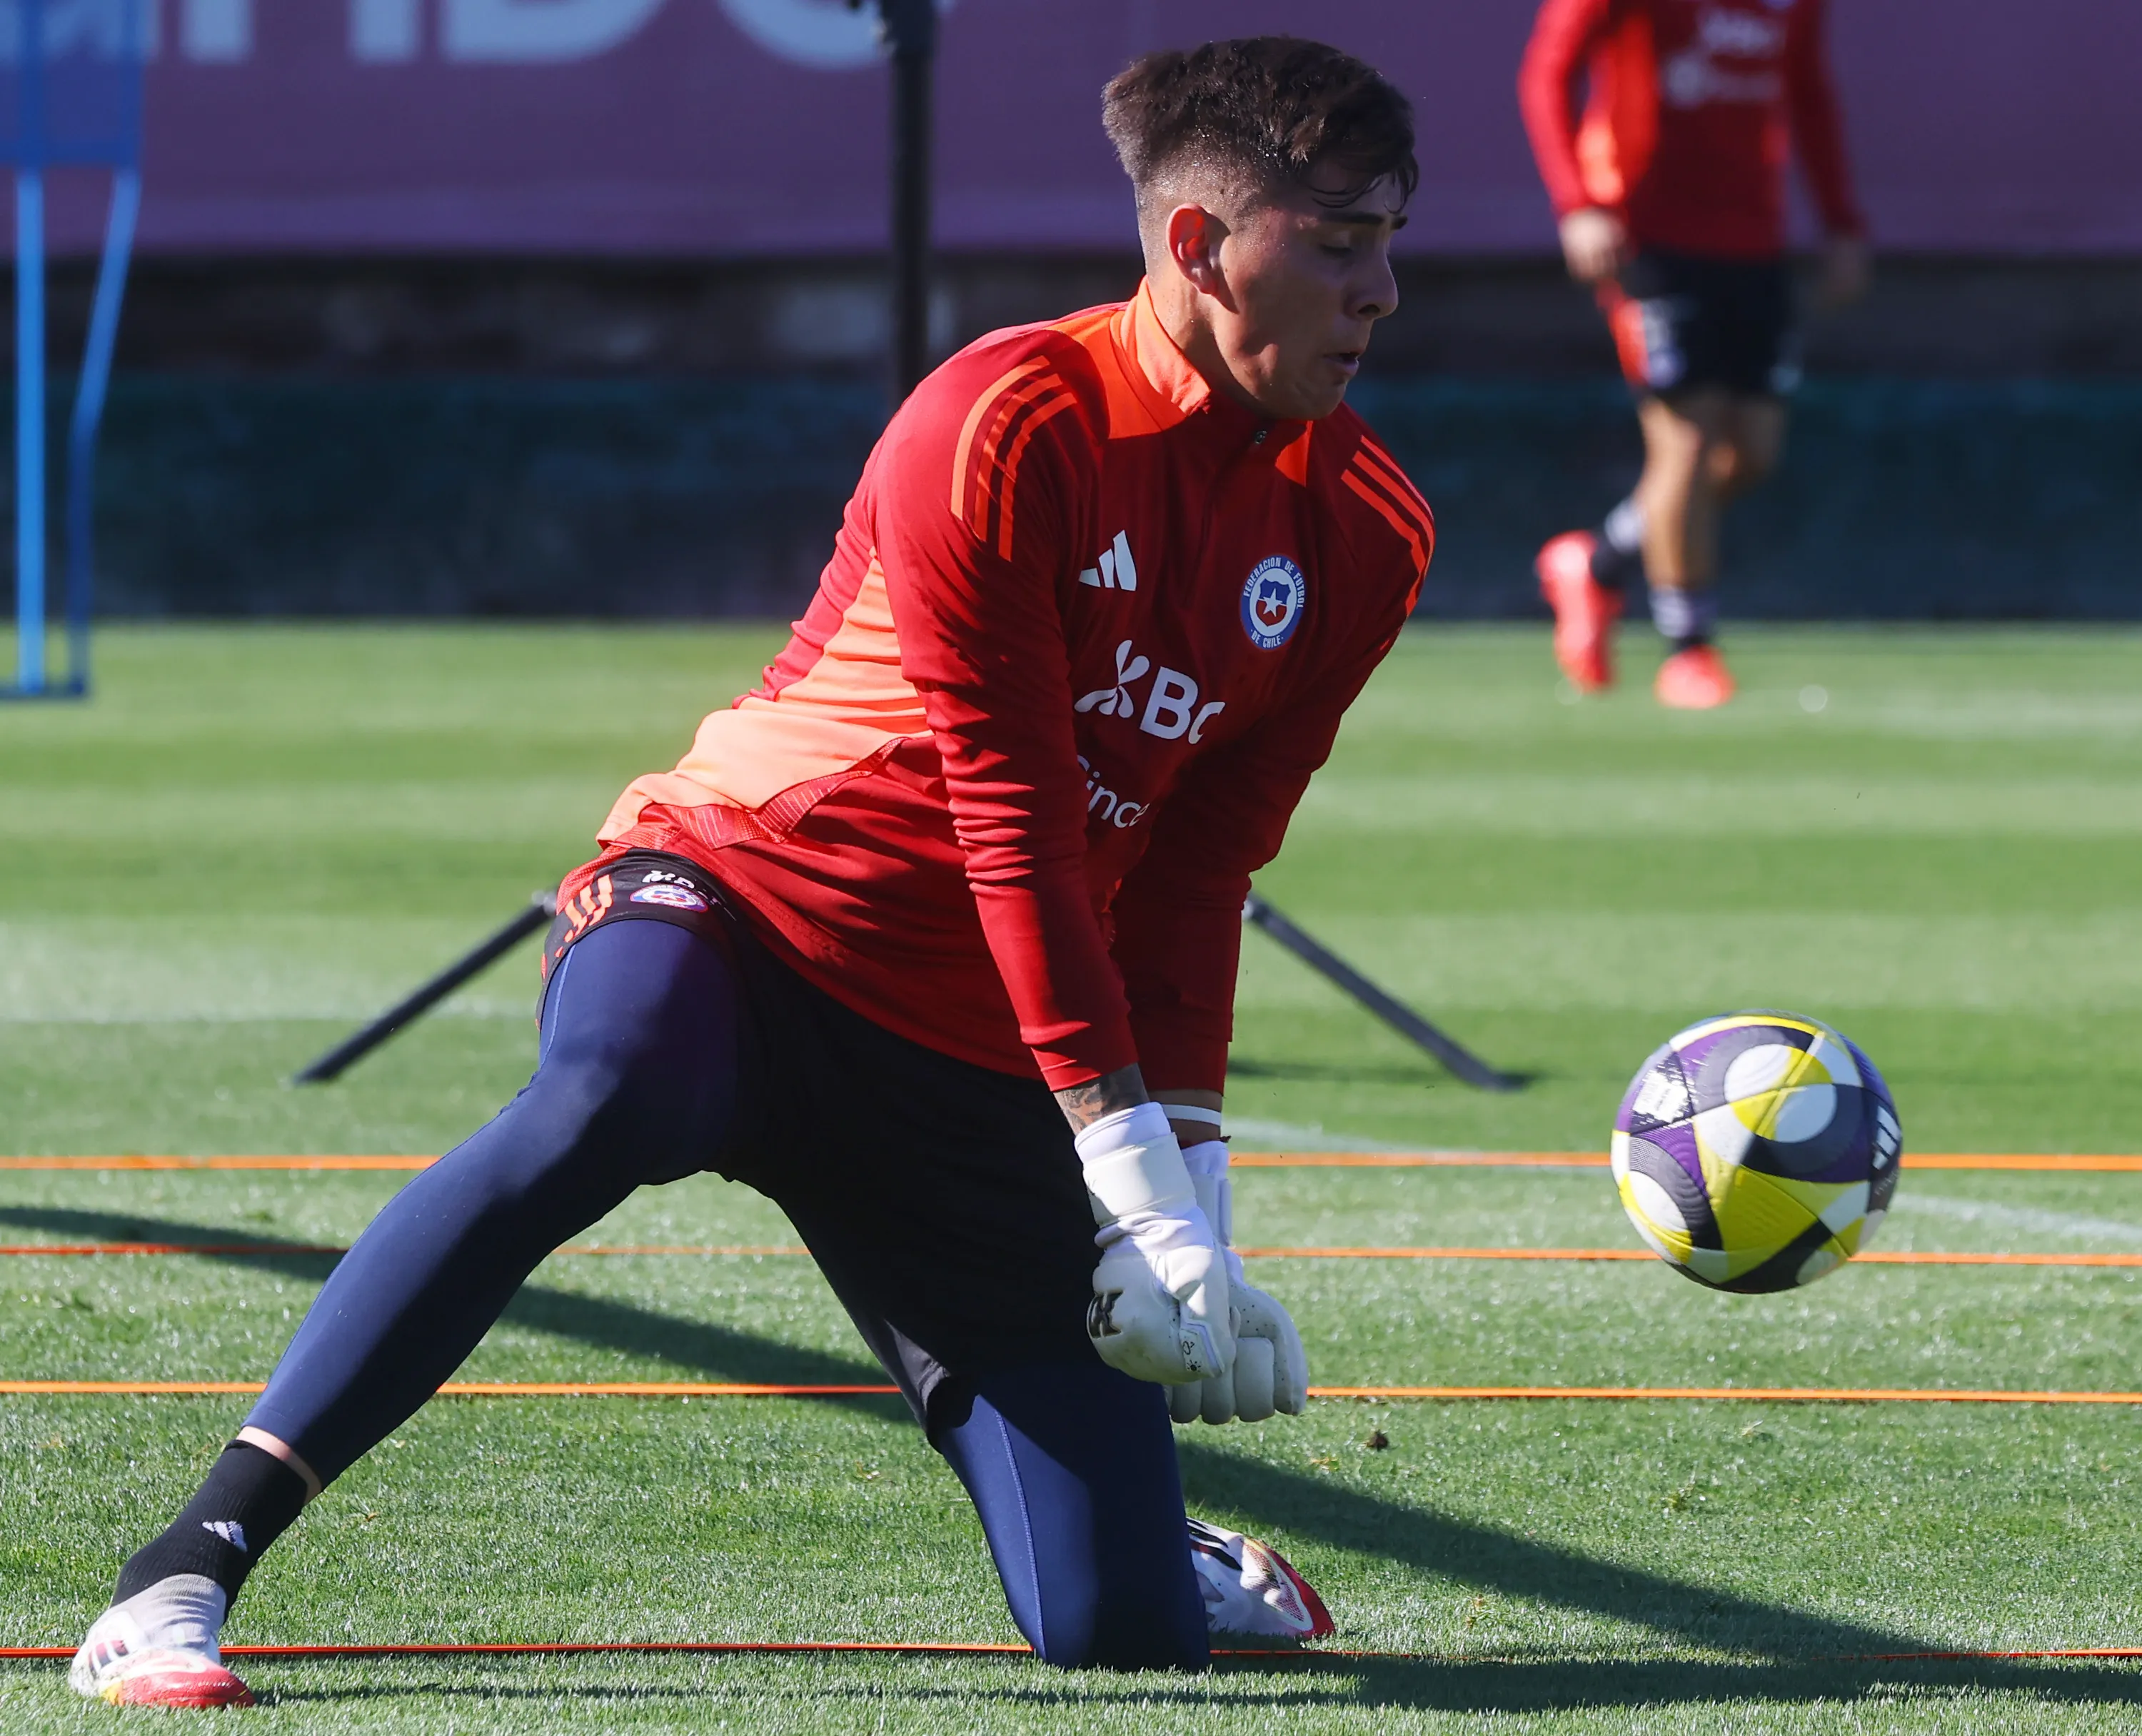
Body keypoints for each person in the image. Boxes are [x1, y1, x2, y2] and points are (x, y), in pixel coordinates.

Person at [67, 36, 1431, 1706]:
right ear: (1203, 248)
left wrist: (1199, 1197)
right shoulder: (1003, 421)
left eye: (1391, 241)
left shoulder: (1369, 533)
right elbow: (1009, 814)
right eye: (1341, 241)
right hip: (744, 911)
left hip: (966, 1051)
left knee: (1123, 1633)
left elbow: (1200, 866)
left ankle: (1172, 1556)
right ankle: (182, 1568)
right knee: (615, 1083)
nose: (1380, 290)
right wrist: (1132, 1179)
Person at [1517, 0, 1868, 708]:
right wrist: (1576, 203)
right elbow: (1547, 71)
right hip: (1648, 236)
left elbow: (1805, 89)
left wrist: (1839, 220)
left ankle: (1601, 560)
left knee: (1748, 456)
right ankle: (1688, 649)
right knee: (1683, 441)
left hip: (1752, 240)